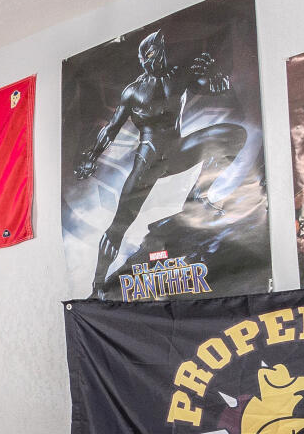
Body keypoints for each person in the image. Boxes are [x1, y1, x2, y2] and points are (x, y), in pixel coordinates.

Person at [74, 31, 246, 291]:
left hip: (177, 152)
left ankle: (199, 194)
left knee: (234, 135)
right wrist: (93, 157)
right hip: (148, 162)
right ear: (143, 59)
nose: (156, 59)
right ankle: (98, 283)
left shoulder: (179, 76)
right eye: (151, 55)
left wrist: (218, 77)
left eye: (160, 52)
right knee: (119, 224)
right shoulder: (133, 92)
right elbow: (112, 128)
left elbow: (213, 89)